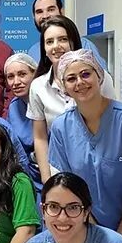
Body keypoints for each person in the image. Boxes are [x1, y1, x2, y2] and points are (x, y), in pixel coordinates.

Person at [48, 49, 122, 243]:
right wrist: (94, 231)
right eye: (71, 78)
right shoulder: (61, 127)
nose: (80, 82)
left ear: (99, 76)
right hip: (86, 228)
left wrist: (121, 233)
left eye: (85, 74)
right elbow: (69, 187)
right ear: (64, 87)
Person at [28, 16, 116, 183]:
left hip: (101, 169)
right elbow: (40, 137)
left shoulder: (100, 78)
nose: (56, 46)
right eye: (49, 42)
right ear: (44, 48)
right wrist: (47, 179)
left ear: (74, 42)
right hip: (60, 172)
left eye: (63, 39)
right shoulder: (38, 87)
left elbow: (113, 124)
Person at [27, 0, 108, 70]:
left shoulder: (85, 45)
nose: (45, 16)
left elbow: (101, 77)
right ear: (34, 16)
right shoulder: (33, 52)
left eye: (51, 9)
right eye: (39, 12)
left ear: (61, 11)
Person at [4, 53, 42, 198]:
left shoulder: (50, 102)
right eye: (10, 77)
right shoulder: (14, 107)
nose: (16, 82)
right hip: (28, 175)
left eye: (22, 74)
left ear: (35, 73)